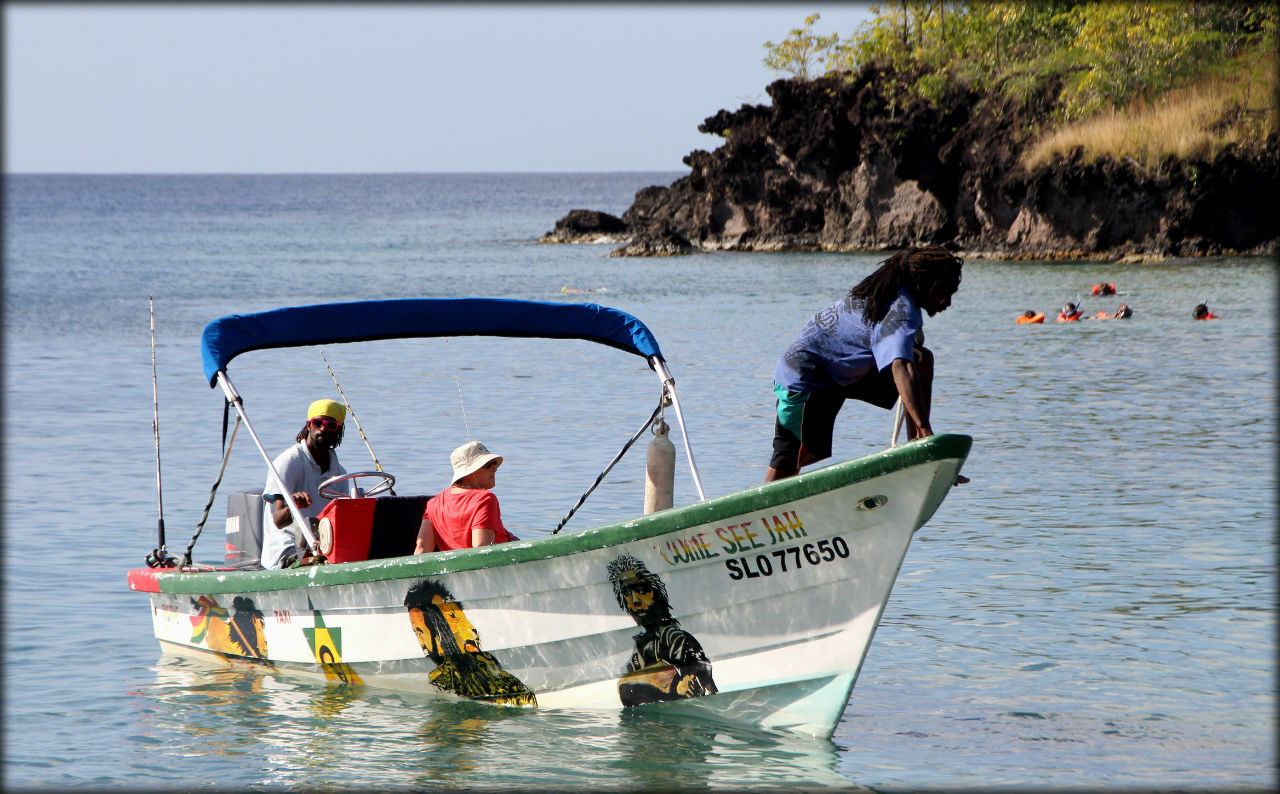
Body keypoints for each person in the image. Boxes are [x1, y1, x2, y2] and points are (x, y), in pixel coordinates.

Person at [766, 245, 964, 482]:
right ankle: (753, 515)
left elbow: (908, 362)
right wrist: (927, 429)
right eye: (945, 291)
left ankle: (917, 448)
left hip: (841, 371)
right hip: (805, 376)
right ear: (923, 284)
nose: (948, 302)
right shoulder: (901, 310)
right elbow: (901, 366)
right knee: (789, 462)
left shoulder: (896, 292)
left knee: (923, 359)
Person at [607, 553, 717, 706]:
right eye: (627, 593)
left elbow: (700, 672)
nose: (635, 600)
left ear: (657, 593)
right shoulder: (641, 648)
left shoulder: (674, 637)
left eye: (642, 590)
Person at [403, 579, 537, 705]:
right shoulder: (442, 678)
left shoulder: (488, 668)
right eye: (417, 632)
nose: (423, 646)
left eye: (420, 632)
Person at [260, 399, 347, 569]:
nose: (323, 428)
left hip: (321, 551)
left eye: (330, 425)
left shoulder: (340, 473)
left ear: (338, 431)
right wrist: (293, 506)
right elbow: (278, 520)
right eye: (318, 422)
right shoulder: (289, 461)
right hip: (286, 552)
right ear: (309, 425)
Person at [417, 441, 517, 552]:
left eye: (494, 463)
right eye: (488, 465)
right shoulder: (484, 498)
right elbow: (482, 547)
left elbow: (422, 548)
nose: (495, 468)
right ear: (469, 473)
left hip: (453, 566)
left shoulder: (433, 503)